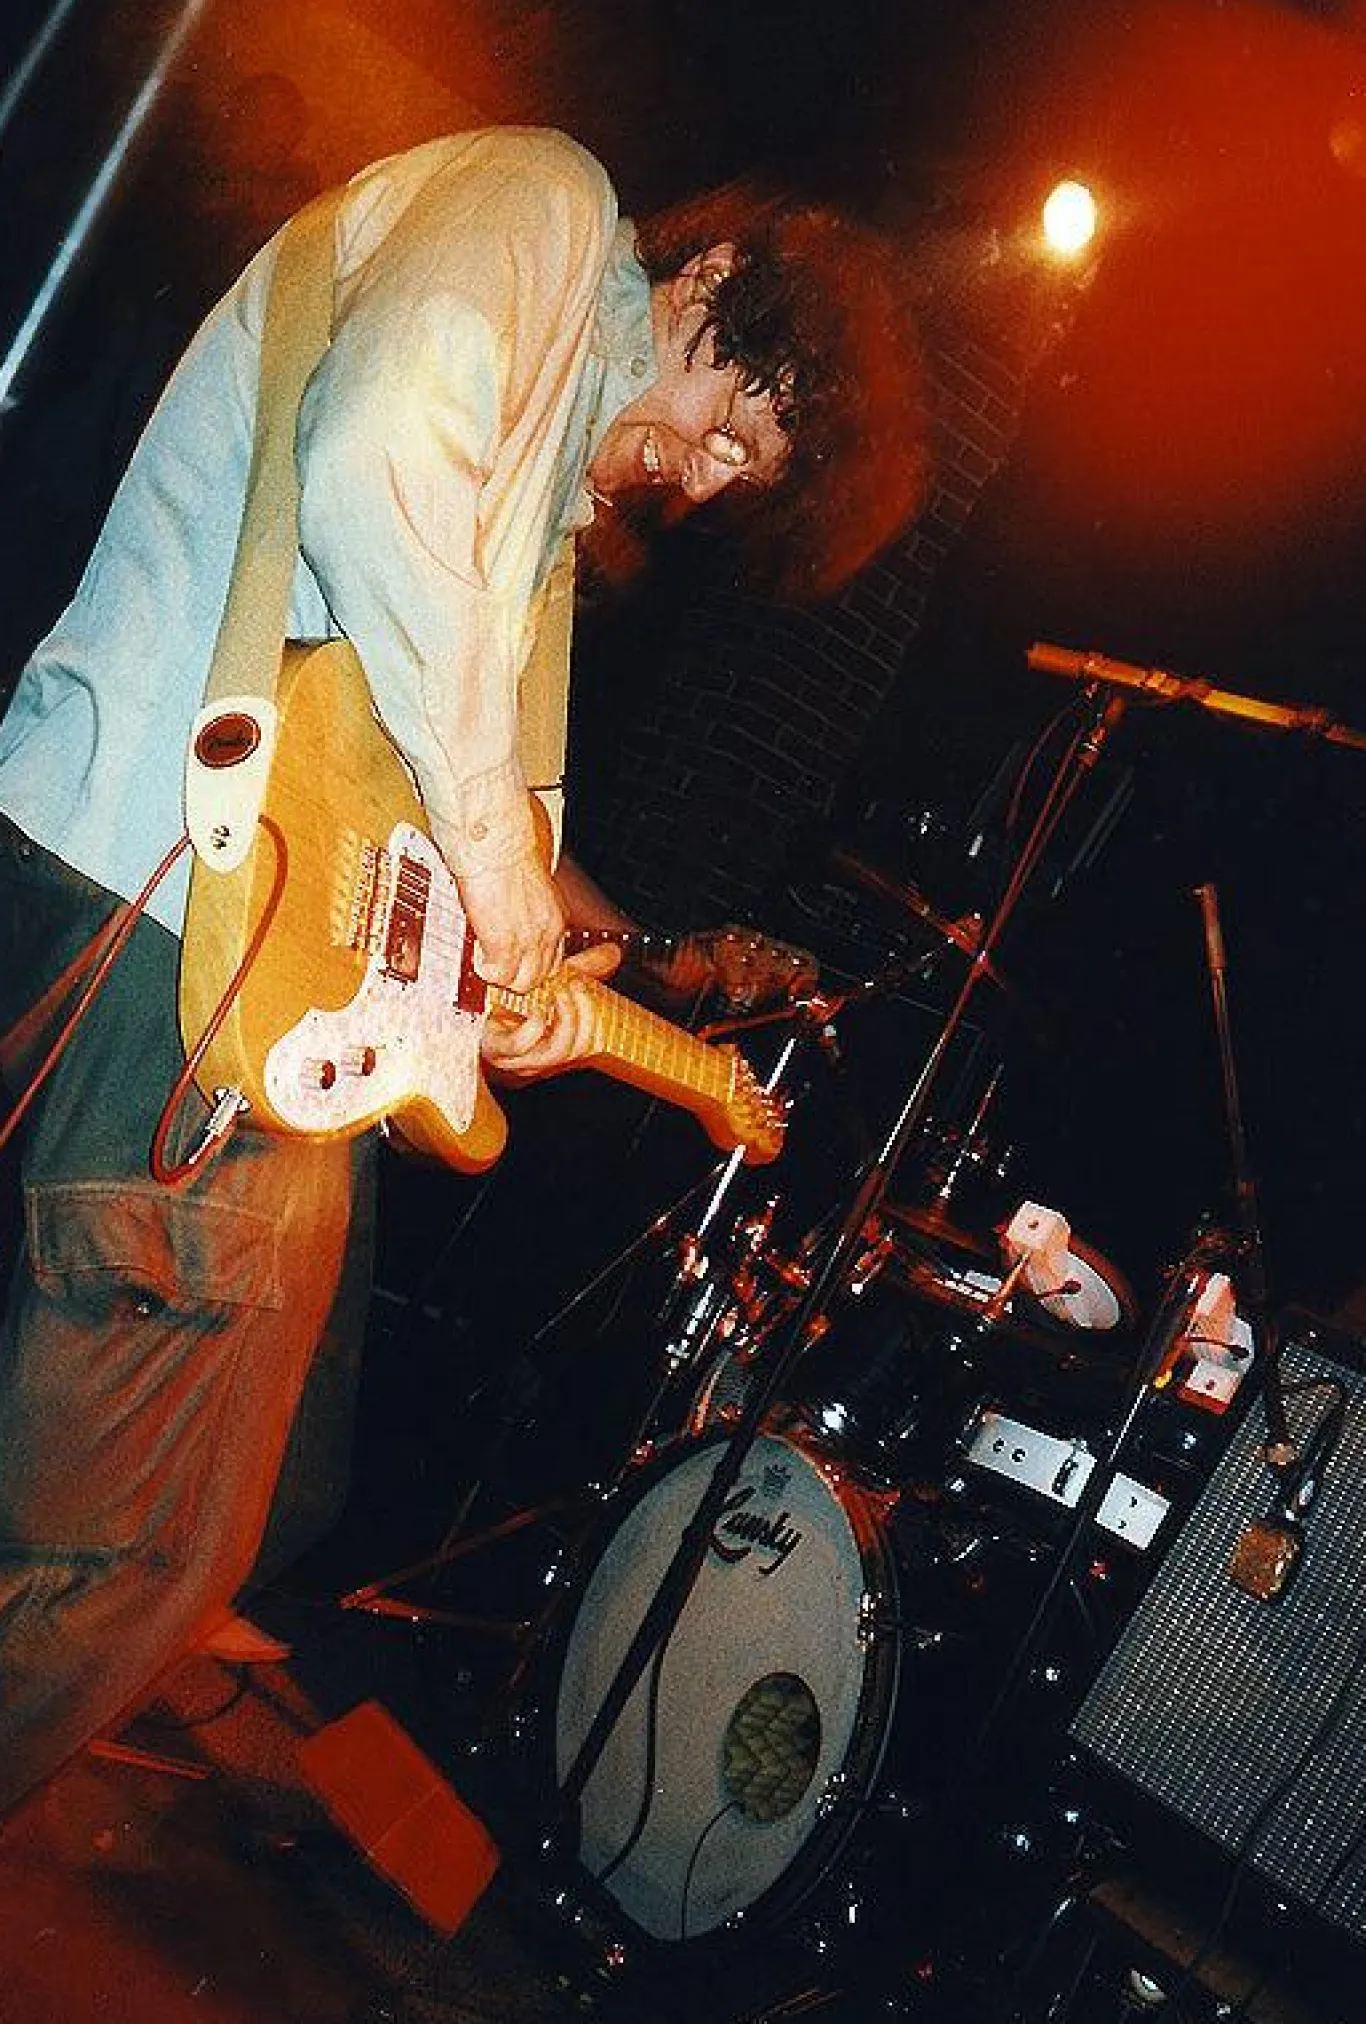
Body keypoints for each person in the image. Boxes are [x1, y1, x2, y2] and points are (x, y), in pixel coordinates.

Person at [0, 124, 925, 1814]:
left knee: (264, 1494)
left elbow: (423, 796)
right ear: (716, 278)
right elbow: (372, 461)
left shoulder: (537, 498)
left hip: (205, 925)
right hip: (173, 909)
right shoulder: (546, 202)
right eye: (737, 425)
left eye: (747, 475)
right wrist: (499, 869)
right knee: (127, 1548)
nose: (711, 479)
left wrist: (538, 976)